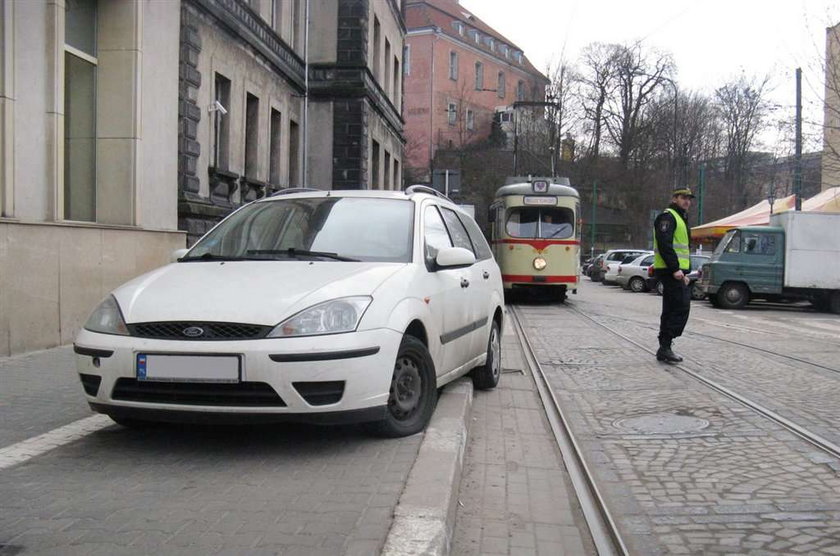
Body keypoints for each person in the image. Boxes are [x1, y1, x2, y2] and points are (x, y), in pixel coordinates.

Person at [653, 187, 695, 363]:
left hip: (675, 272)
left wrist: (682, 271)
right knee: (681, 306)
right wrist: (675, 269)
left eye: (689, 198)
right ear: (674, 198)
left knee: (671, 308)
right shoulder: (668, 217)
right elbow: (665, 244)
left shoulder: (679, 217)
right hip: (670, 271)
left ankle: (664, 346)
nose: (687, 201)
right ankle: (666, 344)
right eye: (683, 198)